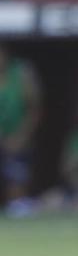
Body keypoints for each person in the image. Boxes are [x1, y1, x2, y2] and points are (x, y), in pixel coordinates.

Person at [0, 43, 41, 211]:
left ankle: (18, 206)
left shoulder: (22, 72)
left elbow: (35, 108)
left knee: (15, 171)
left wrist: (21, 136)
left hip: (18, 137)